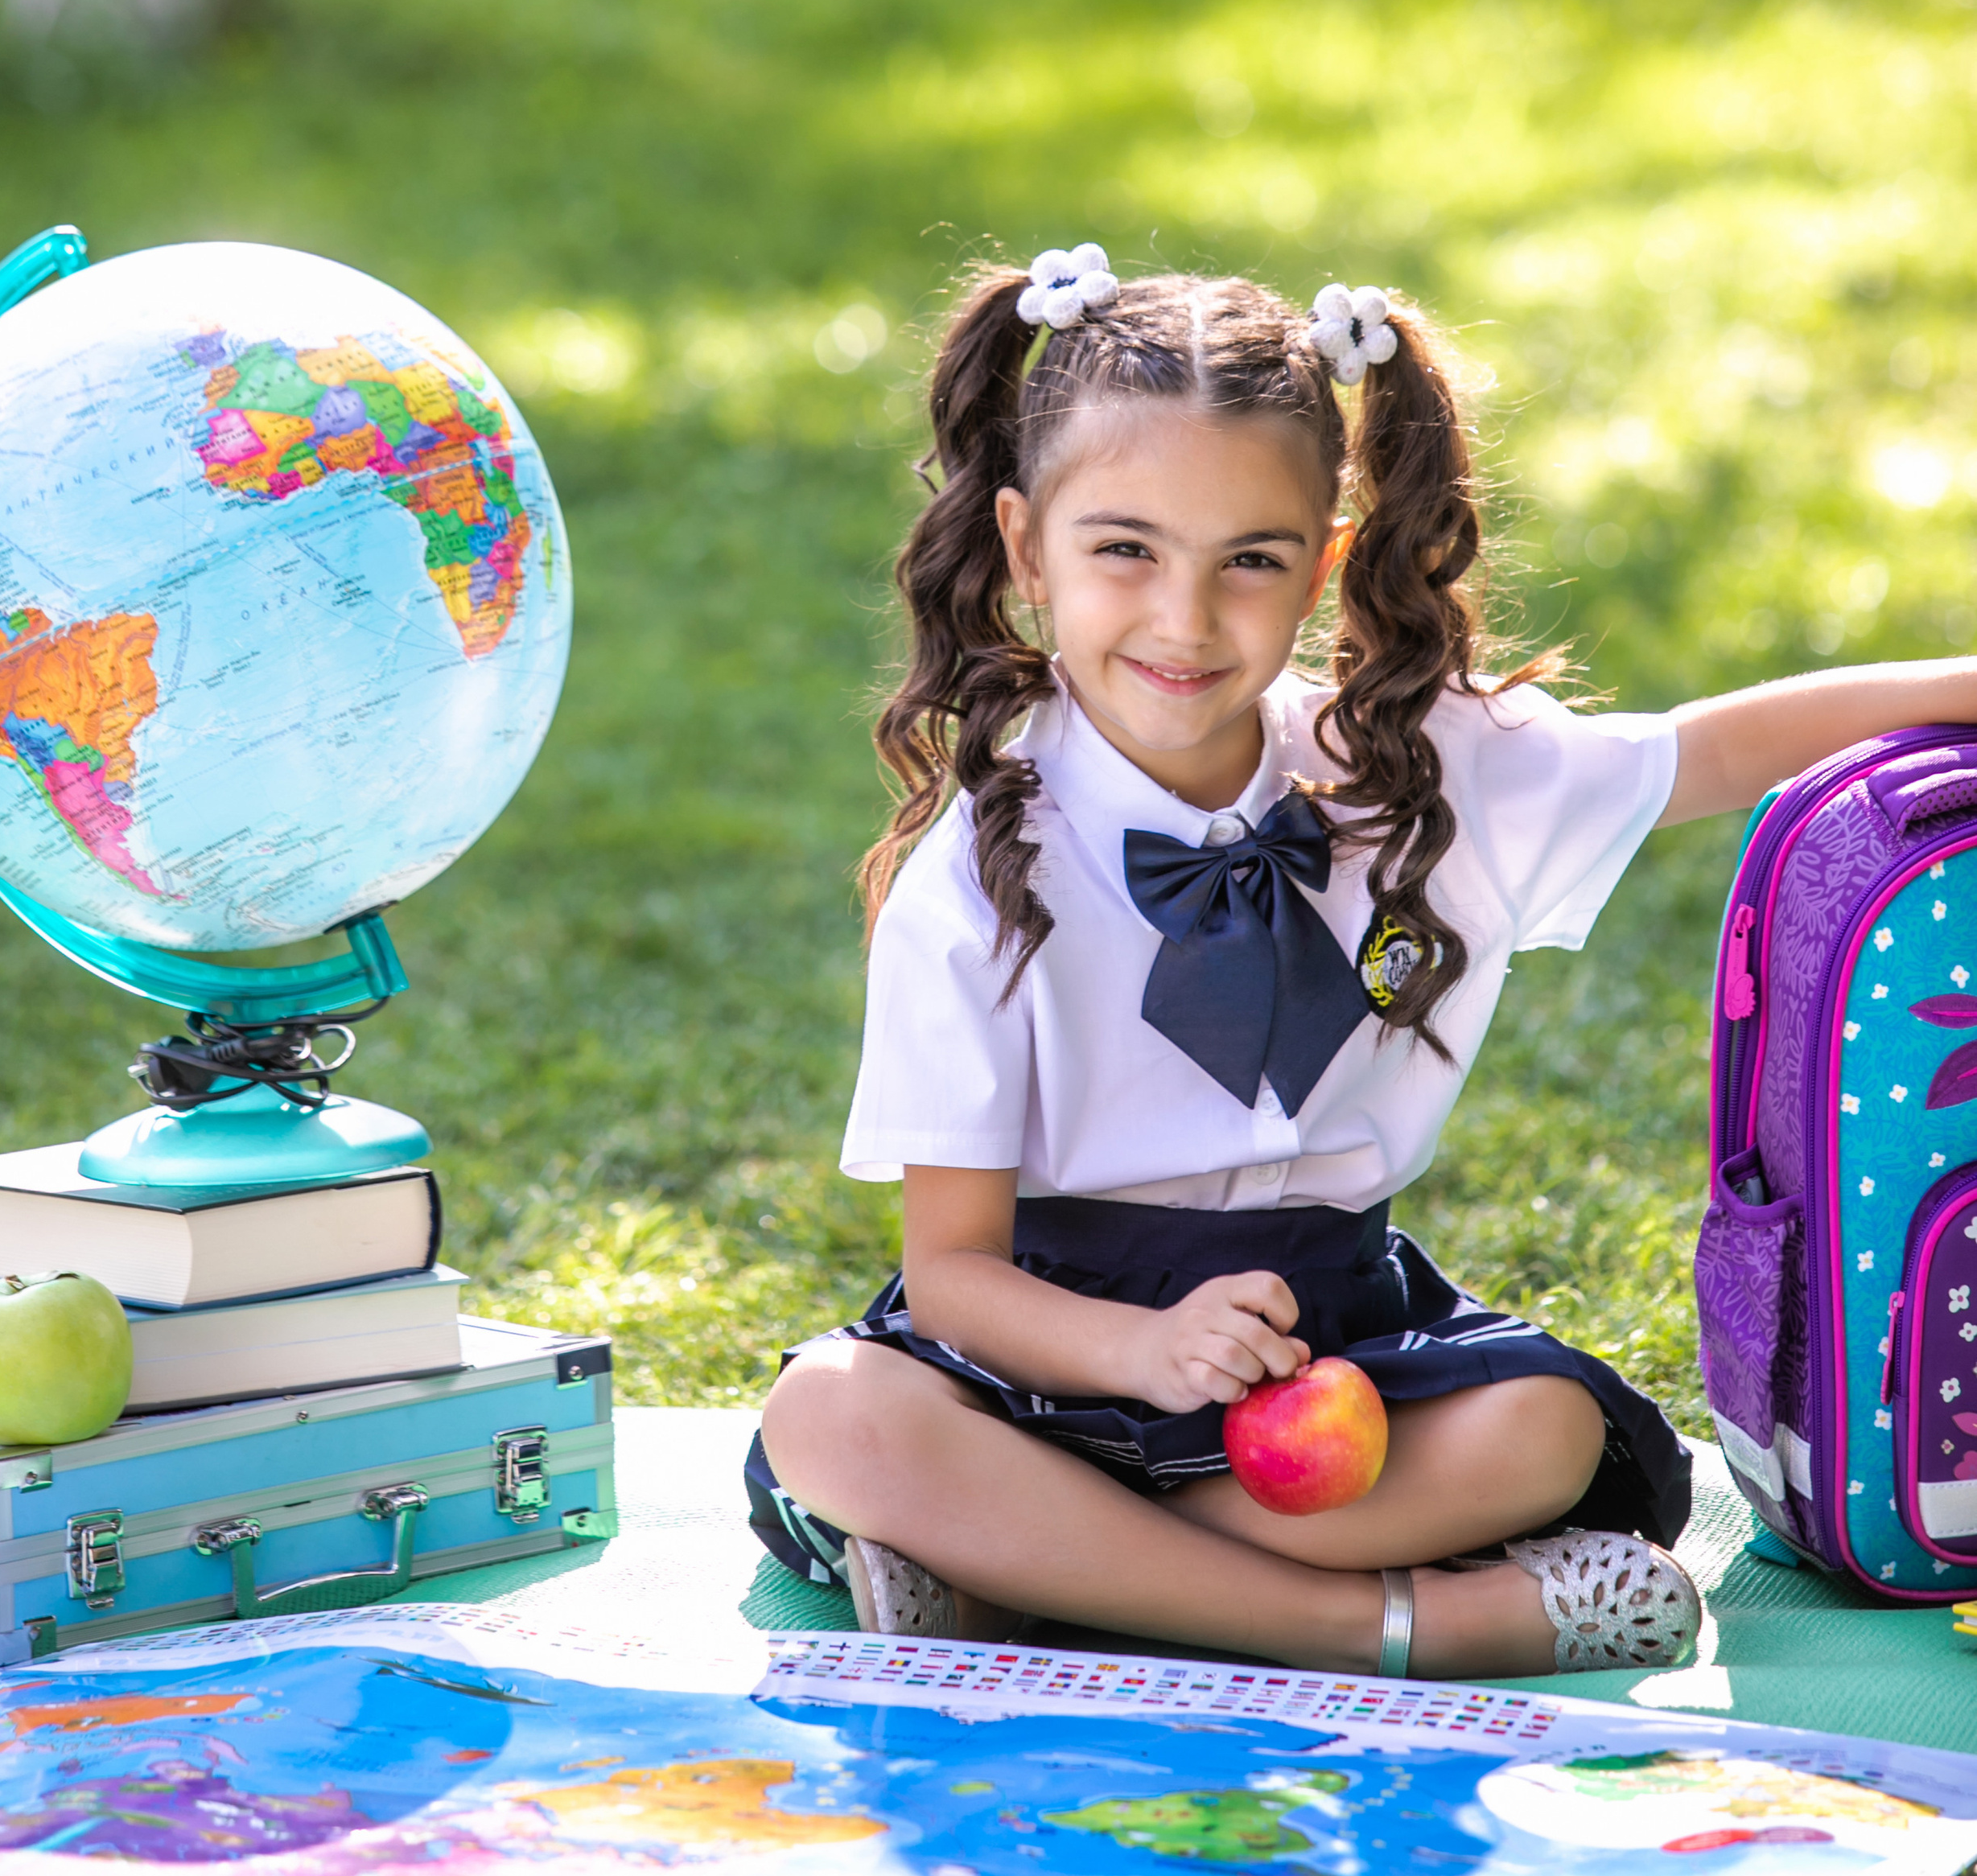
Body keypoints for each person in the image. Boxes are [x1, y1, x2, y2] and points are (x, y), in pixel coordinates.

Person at [747, 248, 1977, 1680]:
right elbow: (954, 1275)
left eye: (1251, 560)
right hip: (1047, 1353)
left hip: (1325, 1345)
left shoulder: (1411, 767)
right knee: (832, 1415)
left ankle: (1028, 1567)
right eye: (1125, 550)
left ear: (1325, 565)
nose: (1185, 618)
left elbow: (1703, 751)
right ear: (1027, 548)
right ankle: (1395, 1624)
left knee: (1540, 1431)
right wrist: (1143, 1355)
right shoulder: (978, 874)